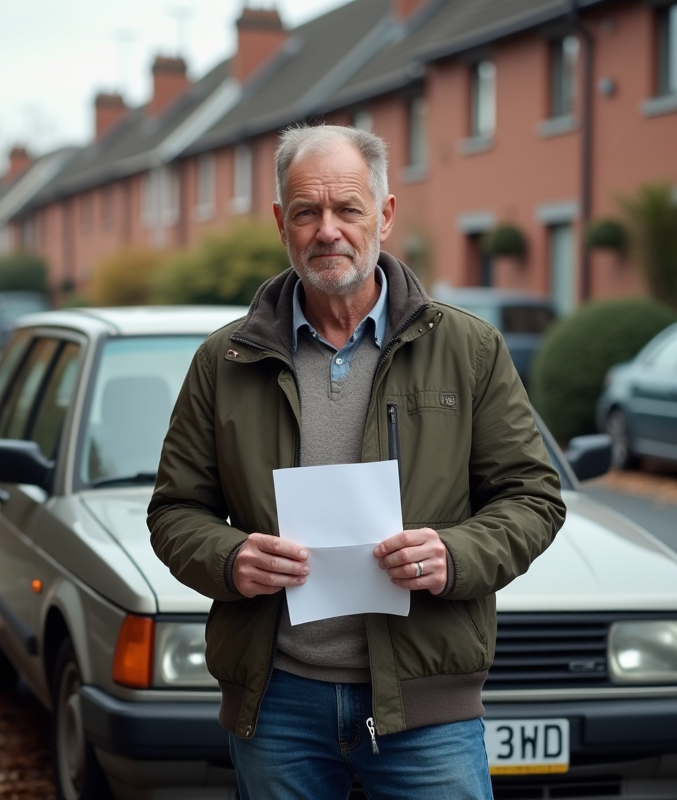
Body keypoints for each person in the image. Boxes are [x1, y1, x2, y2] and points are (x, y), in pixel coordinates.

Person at [148, 125, 566, 800]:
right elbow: (174, 511)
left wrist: (454, 554)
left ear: (386, 214)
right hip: (278, 702)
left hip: (425, 705)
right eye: (307, 212)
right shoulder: (224, 362)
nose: (328, 231)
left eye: (348, 209)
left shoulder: (468, 349)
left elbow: (533, 498)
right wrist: (230, 558)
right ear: (282, 222)